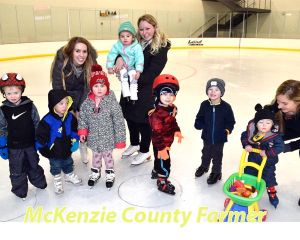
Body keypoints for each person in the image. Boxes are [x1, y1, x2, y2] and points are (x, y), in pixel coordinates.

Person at [114, 14, 171, 165]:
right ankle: (134, 143)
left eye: (148, 28)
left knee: (143, 121)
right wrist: (118, 59)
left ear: (155, 27)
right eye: (141, 29)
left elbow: (153, 73)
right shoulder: (133, 42)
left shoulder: (161, 47)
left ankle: (145, 151)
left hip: (145, 90)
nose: (145, 32)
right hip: (128, 87)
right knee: (128, 115)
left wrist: (131, 77)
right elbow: (119, 52)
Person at [51, 36, 98, 164]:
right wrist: (69, 108)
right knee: (66, 126)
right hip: (65, 99)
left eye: (84, 51)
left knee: (84, 124)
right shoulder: (61, 62)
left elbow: (89, 88)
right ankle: (67, 152)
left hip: (83, 97)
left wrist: (80, 109)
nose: (81, 55)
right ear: (71, 51)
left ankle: (83, 145)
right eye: (77, 51)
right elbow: (57, 86)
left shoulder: (91, 64)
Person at [78, 64, 126, 188]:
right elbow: (83, 118)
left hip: (108, 137)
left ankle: (110, 172)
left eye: (102, 86)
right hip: (94, 137)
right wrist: (83, 132)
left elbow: (119, 121)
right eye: (96, 86)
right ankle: (95, 171)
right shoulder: (87, 103)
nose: (99, 89)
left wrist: (120, 140)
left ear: (107, 87)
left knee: (108, 156)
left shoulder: (112, 103)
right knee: (96, 156)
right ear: (91, 87)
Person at [0, 73, 47, 199]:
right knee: (17, 169)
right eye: (9, 94)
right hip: (14, 147)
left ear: (21, 91)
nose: (13, 96)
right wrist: (2, 145)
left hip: (30, 144)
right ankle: (20, 190)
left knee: (33, 165)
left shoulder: (30, 106)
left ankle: (39, 182)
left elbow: (37, 123)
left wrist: (39, 139)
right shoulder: (3, 110)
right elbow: (2, 128)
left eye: (16, 92)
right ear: (4, 94)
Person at [35, 89, 82, 195]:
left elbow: (74, 130)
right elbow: (40, 136)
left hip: (66, 147)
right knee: (55, 166)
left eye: (66, 103)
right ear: (53, 104)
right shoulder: (47, 120)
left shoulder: (70, 117)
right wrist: (42, 148)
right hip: (53, 151)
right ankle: (57, 180)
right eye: (61, 103)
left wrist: (75, 141)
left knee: (68, 162)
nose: (64, 106)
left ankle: (69, 175)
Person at [241, 104, 284, 208]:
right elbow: (243, 136)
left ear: (272, 124)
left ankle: (271, 191)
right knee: (249, 173)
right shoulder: (252, 133)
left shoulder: (275, 136)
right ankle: (249, 189)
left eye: (268, 122)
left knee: (269, 177)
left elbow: (280, 147)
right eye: (261, 122)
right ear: (256, 124)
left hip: (268, 162)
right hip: (253, 160)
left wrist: (268, 153)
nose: (264, 125)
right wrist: (246, 144)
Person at [194, 78, 236, 184]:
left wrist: (227, 131)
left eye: (216, 89)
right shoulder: (204, 104)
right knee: (205, 153)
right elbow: (200, 117)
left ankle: (216, 172)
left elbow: (231, 121)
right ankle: (204, 166)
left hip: (219, 138)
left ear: (221, 92)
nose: (213, 92)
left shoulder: (226, 107)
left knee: (217, 155)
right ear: (207, 91)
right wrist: (199, 123)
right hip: (207, 136)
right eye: (210, 89)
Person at [266, 79, 300, 206]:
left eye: (284, 103)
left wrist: (288, 147)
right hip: (287, 131)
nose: (279, 106)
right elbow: (265, 118)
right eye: (278, 101)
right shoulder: (278, 105)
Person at [149, 74, 183, 195]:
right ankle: (162, 180)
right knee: (165, 162)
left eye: (171, 94)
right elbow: (156, 134)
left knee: (159, 159)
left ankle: (155, 170)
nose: (168, 97)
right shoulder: (157, 114)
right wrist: (162, 148)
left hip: (167, 140)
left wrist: (177, 130)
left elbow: (173, 122)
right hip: (161, 143)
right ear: (158, 94)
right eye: (164, 93)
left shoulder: (172, 108)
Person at [106, 21, 144, 102]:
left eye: (128, 36)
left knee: (133, 77)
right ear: (119, 37)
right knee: (123, 76)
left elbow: (139, 58)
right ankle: (126, 93)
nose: (125, 38)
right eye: (122, 36)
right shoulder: (118, 45)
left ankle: (133, 95)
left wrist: (138, 71)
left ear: (133, 37)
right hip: (122, 67)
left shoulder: (136, 47)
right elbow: (112, 55)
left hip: (132, 67)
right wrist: (109, 67)